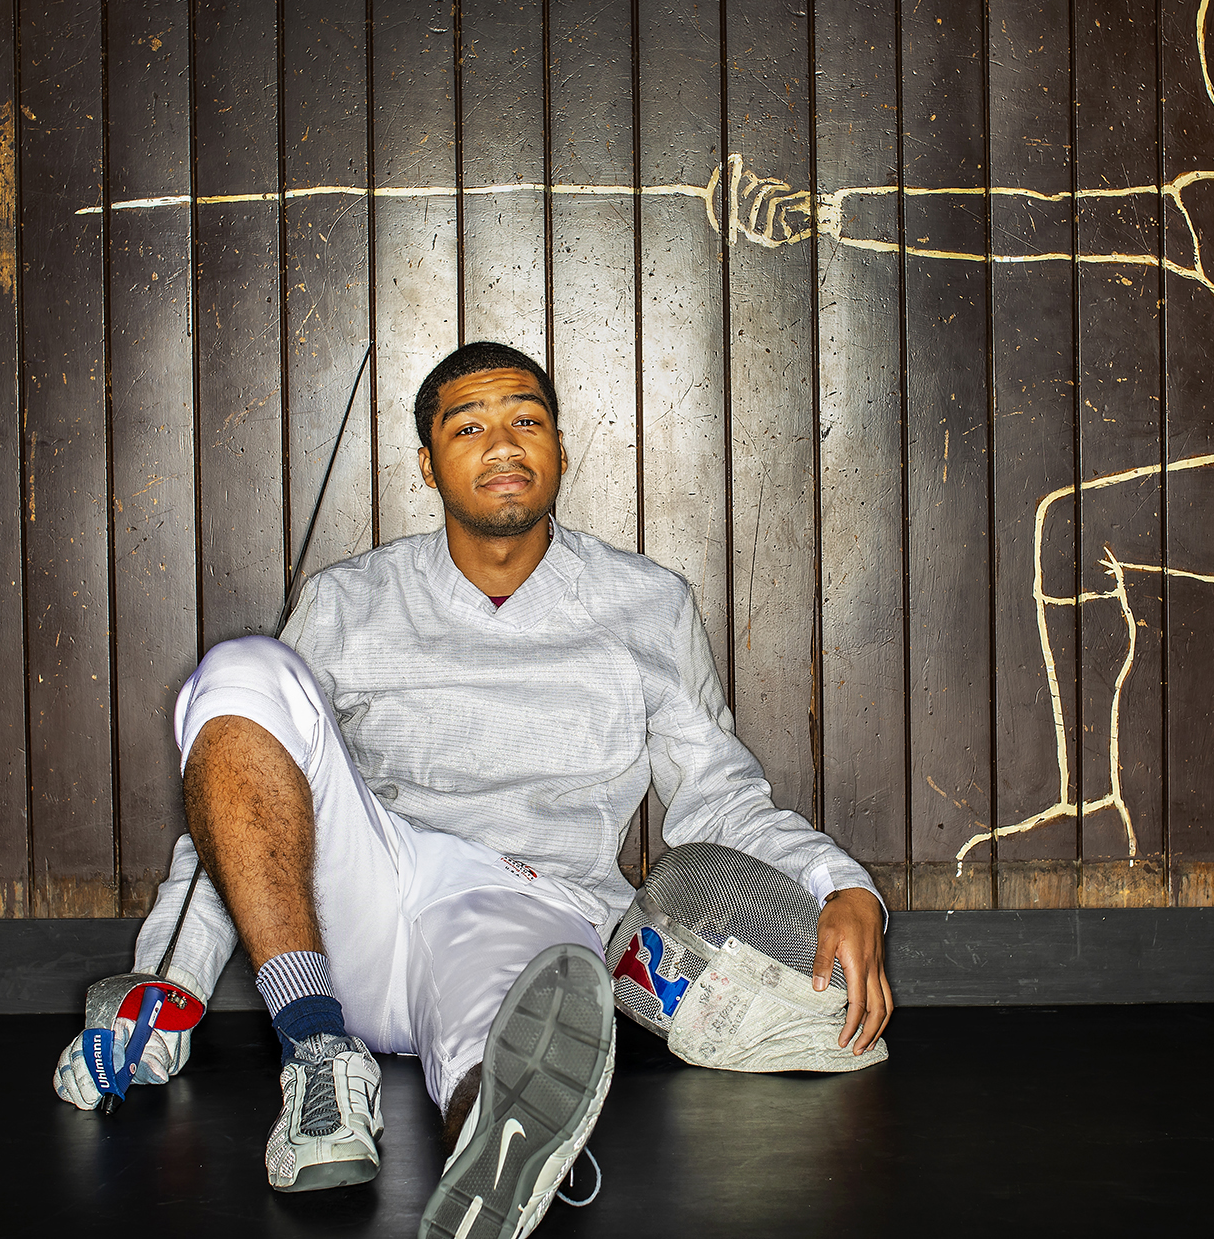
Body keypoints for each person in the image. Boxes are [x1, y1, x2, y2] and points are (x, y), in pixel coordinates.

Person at [52, 341, 892, 1238]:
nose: (502, 444)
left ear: (561, 450)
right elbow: (244, 805)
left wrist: (837, 881)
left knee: (518, 1043)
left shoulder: (648, 602)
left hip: (530, 902)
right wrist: (163, 980)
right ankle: (320, 1054)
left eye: (526, 419)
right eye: (469, 425)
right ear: (428, 462)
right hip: (360, 901)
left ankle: (504, 1155)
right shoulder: (347, 601)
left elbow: (717, 794)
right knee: (239, 671)